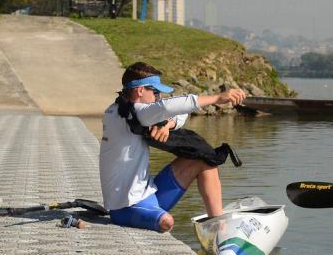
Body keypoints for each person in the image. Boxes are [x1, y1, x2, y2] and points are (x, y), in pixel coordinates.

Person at [99, 62, 246, 232]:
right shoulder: (134, 113)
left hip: (149, 195)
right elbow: (167, 107)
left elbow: (181, 112)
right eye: (155, 92)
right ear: (140, 91)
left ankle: (219, 227)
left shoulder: (122, 109)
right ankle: (216, 230)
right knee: (166, 222)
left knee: (206, 159)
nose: (157, 97)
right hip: (124, 208)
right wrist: (217, 98)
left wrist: (167, 125)